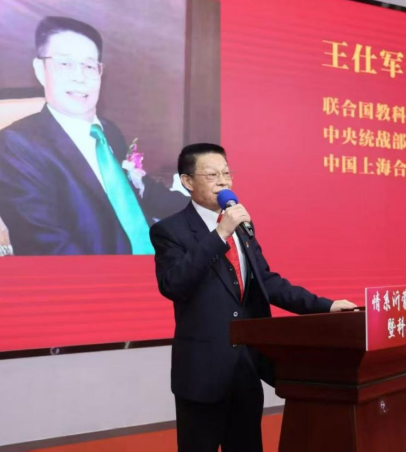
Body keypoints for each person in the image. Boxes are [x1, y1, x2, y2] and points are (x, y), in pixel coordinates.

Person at [150, 143, 357, 452]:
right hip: (203, 370)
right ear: (187, 181)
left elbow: (267, 283)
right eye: (212, 175)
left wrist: (325, 306)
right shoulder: (170, 230)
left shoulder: (242, 227)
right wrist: (219, 234)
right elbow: (174, 284)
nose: (223, 182)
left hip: (247, 366)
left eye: (226, 173)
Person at [0, 16, 187, 255]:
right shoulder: (14, 147)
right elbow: (49, 248)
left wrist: (209, 210)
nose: (80, 77)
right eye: (65, 64)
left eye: (89, 66)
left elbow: (141, 192)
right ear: (40, 70)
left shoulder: (109, 131)